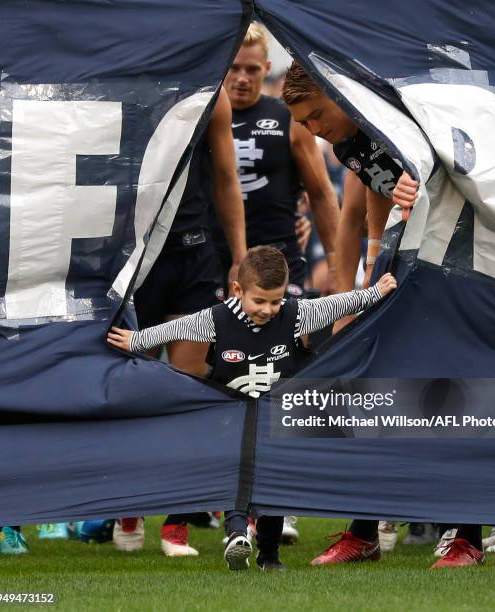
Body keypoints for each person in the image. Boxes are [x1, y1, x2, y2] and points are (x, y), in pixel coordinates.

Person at [282, 61, 484, 570]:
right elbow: (372, 203)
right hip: (406, 271)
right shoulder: (348, 142)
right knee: (374, 397)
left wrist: (431, 185)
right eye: (303, 123)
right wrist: (363, 289)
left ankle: (468, 536)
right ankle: (365, 530)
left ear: (337, 95)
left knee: (457, 394)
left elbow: (472, 172)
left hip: (463, 269)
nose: (312, 130)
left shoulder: (407, 117)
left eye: (314, 116)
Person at [108, 246, 397, 570]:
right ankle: (236, 537)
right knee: (236, 480)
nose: (267, 309)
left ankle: (269, 554)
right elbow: (174, 330)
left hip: (275, 423)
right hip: (231, 422)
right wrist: (135, 341)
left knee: (272, 488)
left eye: (275, 301)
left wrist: (375, 292)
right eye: (259, 301)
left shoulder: (295, 314)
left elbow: (335, 305)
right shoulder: (216, 318)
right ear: (237, 290)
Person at [113, 88, 247, 556]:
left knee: (189, 384)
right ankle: (130, 506)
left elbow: (228, 179)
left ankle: (177, 523)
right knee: (138, 384)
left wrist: (240, 257)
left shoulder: (214, 93)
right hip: (137, 260)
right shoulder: (133, 83)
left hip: (195, 254)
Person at [211, 23, 340, 301]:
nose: (242, 78)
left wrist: (335, 264)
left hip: (279, 254)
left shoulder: (289, 119)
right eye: (234, 68)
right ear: (221, 66)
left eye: (252, 69)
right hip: (213, 254)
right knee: (215, 342)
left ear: (267, 68)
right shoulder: (200, 117)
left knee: (288, 340)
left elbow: (321, 193)